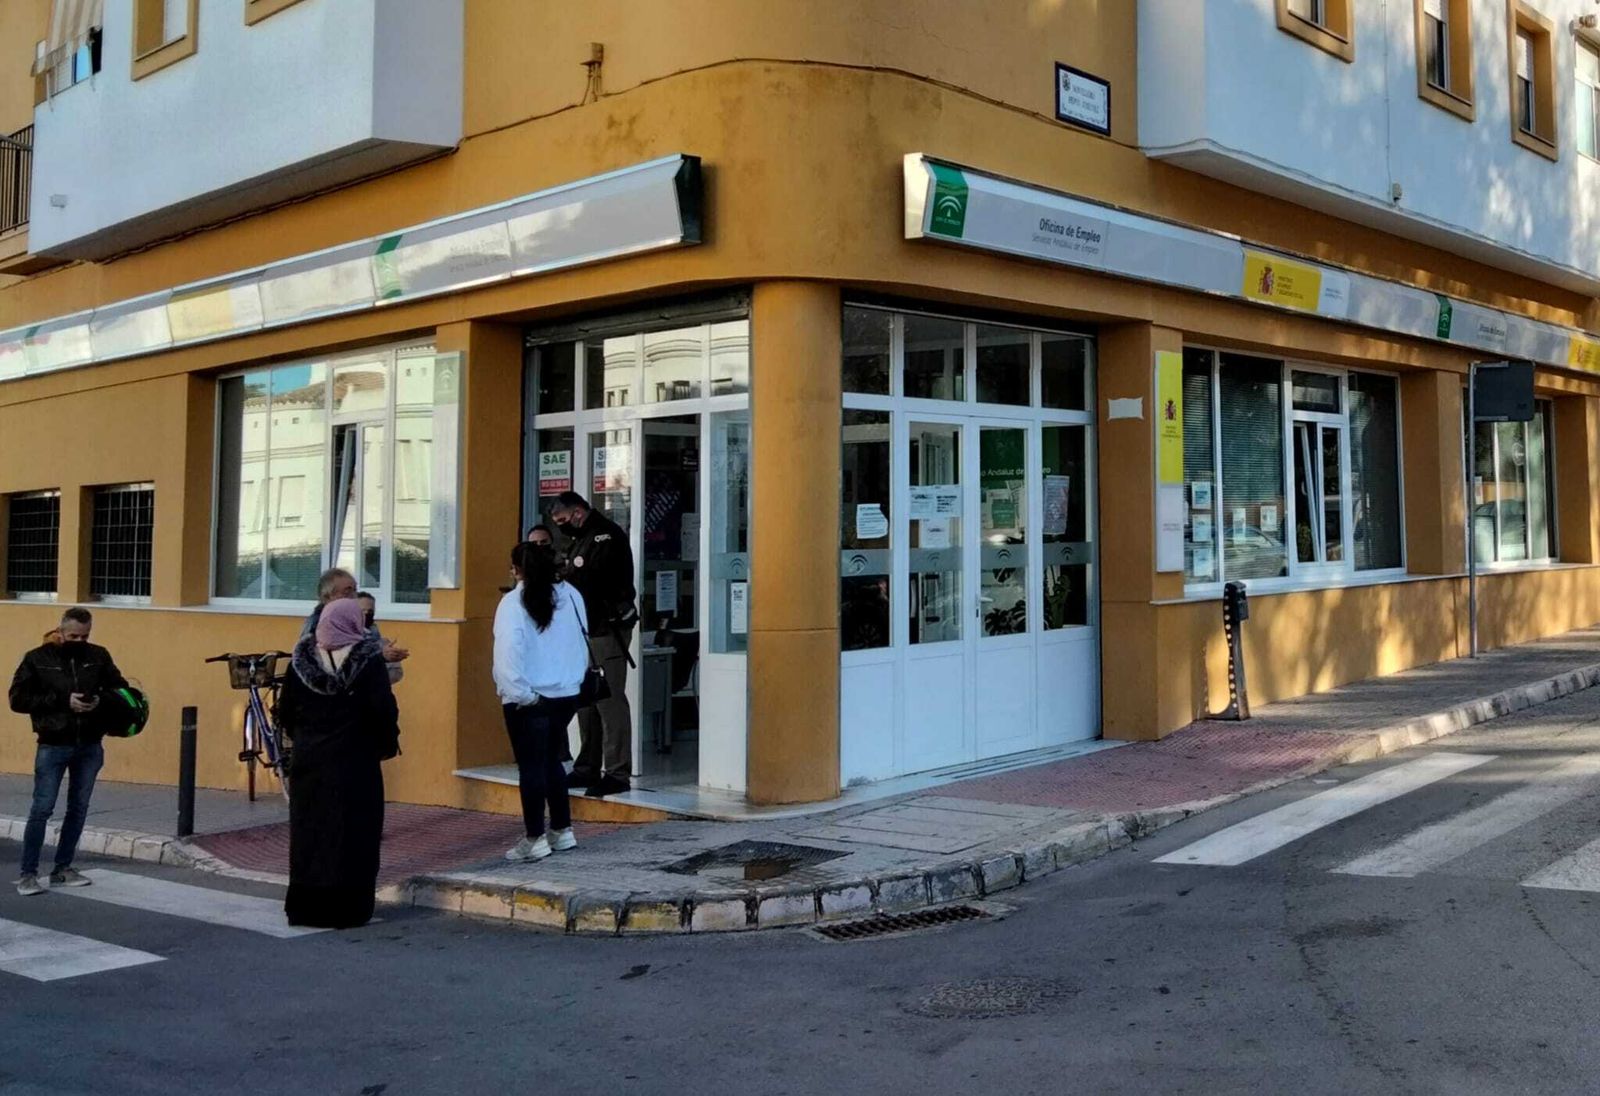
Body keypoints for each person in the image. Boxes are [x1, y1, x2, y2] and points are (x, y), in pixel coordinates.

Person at [276, 598, 400, 929]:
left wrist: (306, 740)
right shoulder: (368, 663)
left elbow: (285, 712)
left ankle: (307, 908)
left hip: (310, 766)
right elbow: (383, 710)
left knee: (311, 836)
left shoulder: (299, 663)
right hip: (354, 765)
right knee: (354, 835)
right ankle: (349, 908)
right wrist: (385, 746)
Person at [8, 607, 128, 897]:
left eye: (84, 636)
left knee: (78, 807)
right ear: (60, 631)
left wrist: (98, 700)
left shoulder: (98, 655)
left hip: (89, 743)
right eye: (73, 635)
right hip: (52, 743)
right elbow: (18, 699)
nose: (79, 640)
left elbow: (120, 688)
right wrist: (64, 701)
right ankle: (28, 873)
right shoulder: (37, 658)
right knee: (42, 809)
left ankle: (63, 868)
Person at [492, 542, 588, 860]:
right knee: (551, 761)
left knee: (531, 767)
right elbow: (582, 640)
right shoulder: (571, 595)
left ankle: (534, 837)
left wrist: (520, 693)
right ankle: (562, 830)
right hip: (566, 693)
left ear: (517, 570)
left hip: (528, 697)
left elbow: (508, 654)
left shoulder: (512, 602)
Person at [549, 491, 637, 796]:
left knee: (609, 701)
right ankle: (587, 766)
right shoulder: (580, 538)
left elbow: (591, 579)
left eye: (562, 520)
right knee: (585, 702)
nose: (561, 527)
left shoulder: (605, 536)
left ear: (576, 512)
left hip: (607, 628)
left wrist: (565, 575)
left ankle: (617, 772)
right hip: (585, 629)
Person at [303, 568, 408, 671]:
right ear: (327, 596)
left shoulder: (360, 622)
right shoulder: (320, 625)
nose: (353, 597)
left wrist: (385, 655)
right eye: (347, 592)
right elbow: (333, 665)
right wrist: (379, 656)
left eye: (355, 591)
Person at [357, 592, 404, 685]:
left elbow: (397, 673)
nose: (366, 614)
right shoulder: (343, 639)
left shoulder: (382, 643)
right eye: (362, 611)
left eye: (370, 611)